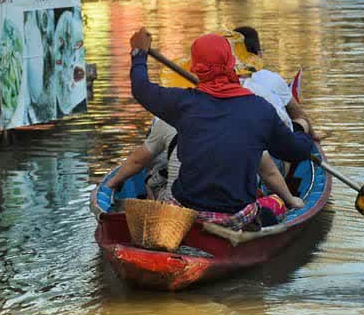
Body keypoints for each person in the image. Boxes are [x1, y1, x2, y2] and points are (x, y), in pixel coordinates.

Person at [126, 29, 316, 229]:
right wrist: (302, 131)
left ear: (195, 68)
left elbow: (140, 88)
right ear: (231, 63)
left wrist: (139, 53)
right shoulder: (260, 109)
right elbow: (295, 151)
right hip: (235, 218)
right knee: (274, 205)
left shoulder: (182, 103)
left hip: (184, 215)